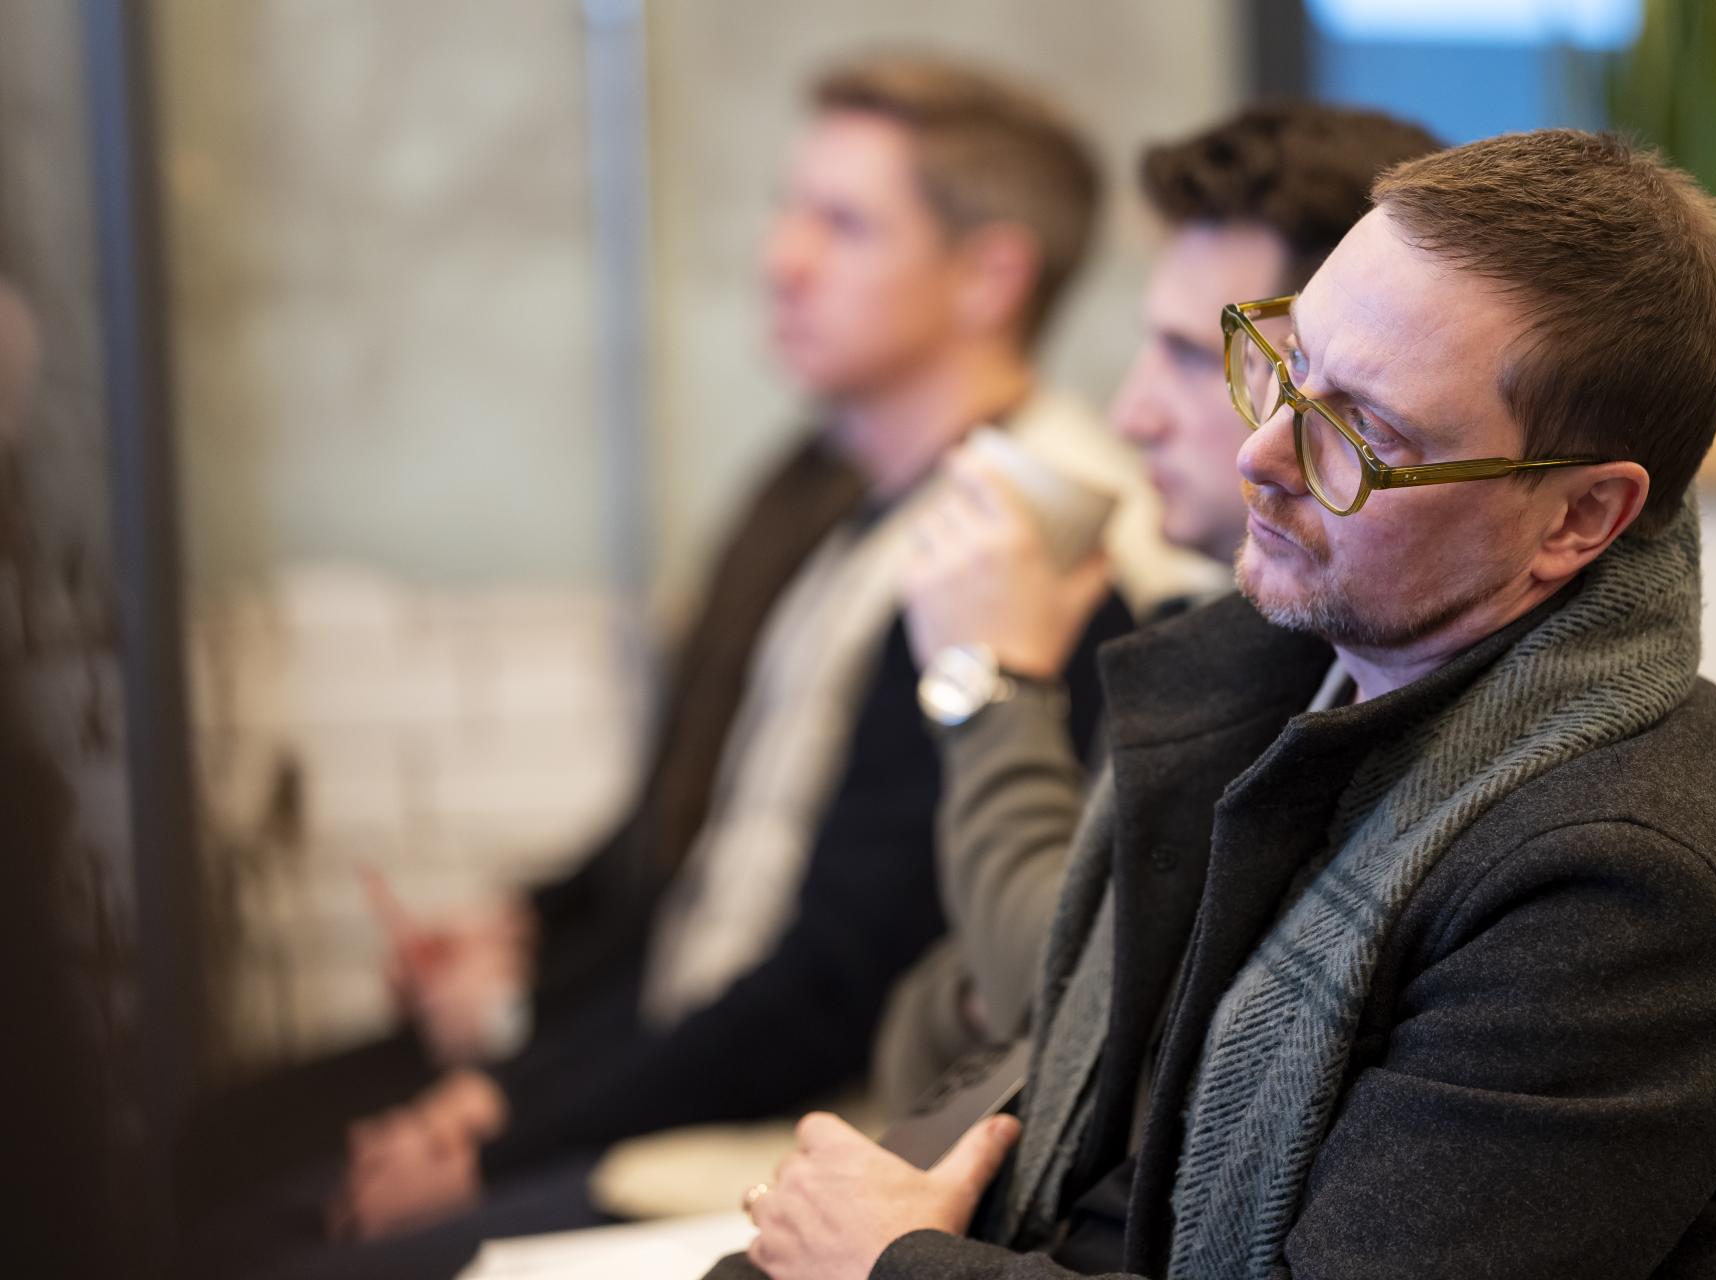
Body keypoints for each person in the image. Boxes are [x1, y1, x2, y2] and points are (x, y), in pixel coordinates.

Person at [728, 129, 1716, 1279]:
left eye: (1363, 434)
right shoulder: (1284, 677)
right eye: (1287, 356)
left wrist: (894, 1261)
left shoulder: (1618, 894)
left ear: (1576, 519)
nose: (1262, 451)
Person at [193, 55, 1204, 1279]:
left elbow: (840, 979)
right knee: (215, 1149)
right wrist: (518, 1003)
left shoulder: (1024, 548)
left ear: (991, 273)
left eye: (842, 223)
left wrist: (514, 1101)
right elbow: (687, 858)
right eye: (792, 209)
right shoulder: (844, 499)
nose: (781, 257)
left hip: (792, 1139)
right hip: (683, 1072)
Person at [872, 102, 1442, 1110]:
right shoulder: (1210, 621)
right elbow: (987, 1004)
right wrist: (988, 994)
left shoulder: (1345, 668)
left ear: (1335, 378)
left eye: (1192, 356)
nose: (1129, 412)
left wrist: (990, 683)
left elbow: (1069, 1015)